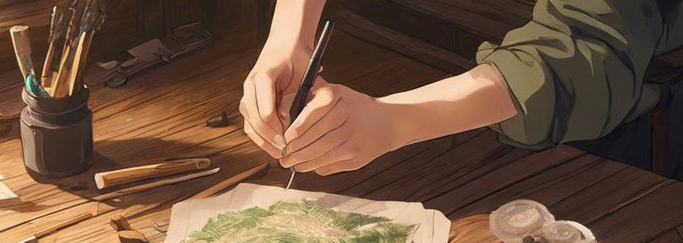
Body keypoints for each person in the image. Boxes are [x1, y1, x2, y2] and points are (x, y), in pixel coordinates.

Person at [241, 0, 683, 177]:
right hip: (387, 54)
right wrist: (289, 37)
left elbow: (588, 48)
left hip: (584, 125)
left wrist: (395, 120)